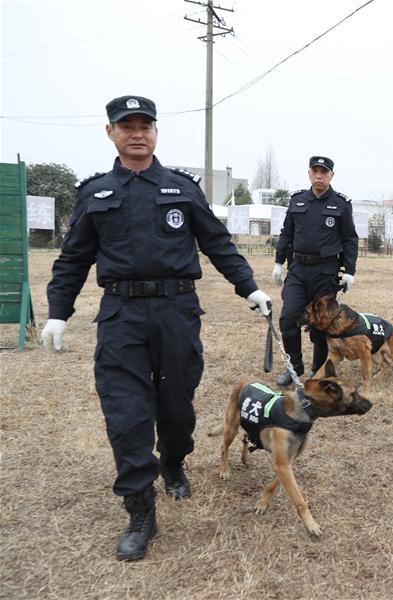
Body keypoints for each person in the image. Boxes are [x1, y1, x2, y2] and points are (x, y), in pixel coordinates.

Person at [40, 95, 272, 561]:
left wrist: (248, 287)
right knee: (126, 414)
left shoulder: (181, 188)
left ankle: (174, 461)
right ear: (111, 133)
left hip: (176, 313)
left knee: (177, 409)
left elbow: (217, 242)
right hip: (121, 316)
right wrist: (57, 312)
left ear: (156, 132)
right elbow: (72, 260)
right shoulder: (96, 192)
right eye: (127, 126)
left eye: (145, 125)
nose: (137, 133)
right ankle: (140, 510)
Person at [273, 156, 358, 385]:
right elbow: (286, 234)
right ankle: (295, 366)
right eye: (315, 171)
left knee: (321, 325)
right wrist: (279, 262)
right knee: (288, 318)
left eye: (324, 172)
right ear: (309, 173)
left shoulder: (341, 204)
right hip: (298, 270)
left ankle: (318, 370)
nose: (319, 175)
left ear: (331, 175)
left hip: (325, 271)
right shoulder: (297, 200)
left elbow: (350, 238)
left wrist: (349, 270)